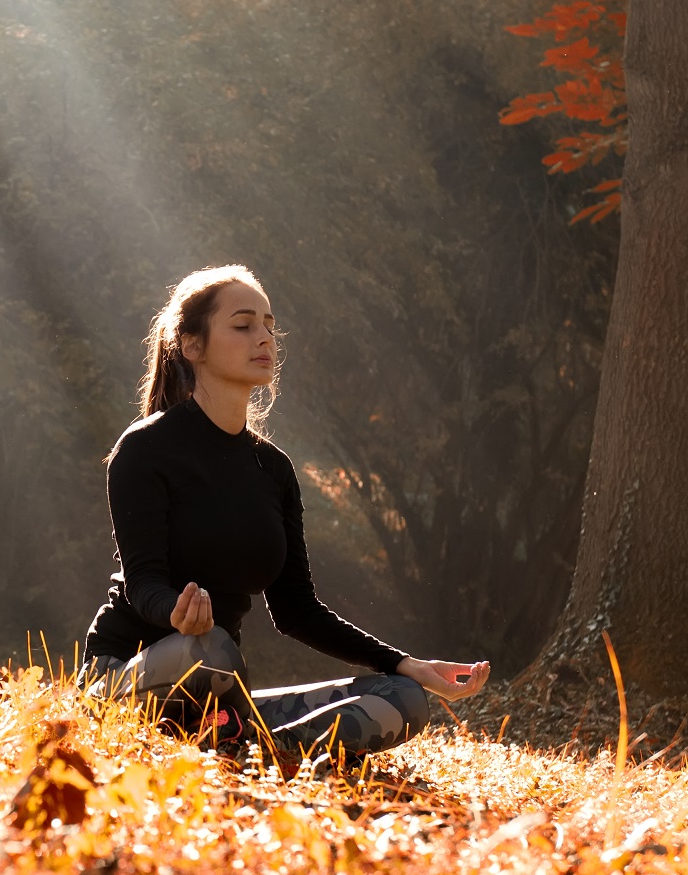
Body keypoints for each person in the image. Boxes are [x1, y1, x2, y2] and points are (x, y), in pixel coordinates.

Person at [81, 264, 490, 763]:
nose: (265, 339)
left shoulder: (273, 470)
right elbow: (143, 584)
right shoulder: (145, 449)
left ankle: (268, 751)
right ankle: (237, 743)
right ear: (191, 345)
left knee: (402, 698)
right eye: (243, 325)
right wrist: (176, 613)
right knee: (210, 648)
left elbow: (298, 610)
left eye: (270, 326)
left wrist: (404, 663)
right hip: (130, 677)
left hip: (222, 694)